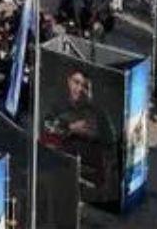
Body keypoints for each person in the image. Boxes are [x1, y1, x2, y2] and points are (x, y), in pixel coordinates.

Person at [40, 66, 117, 202]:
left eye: (84, 86)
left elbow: (110, 142)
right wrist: (70, 127)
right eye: (76, 82)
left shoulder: (99, 113)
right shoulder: (59, 105)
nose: (79, 89)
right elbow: (47, 126)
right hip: (63, 165)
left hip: (90, 171)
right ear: (68, 81)